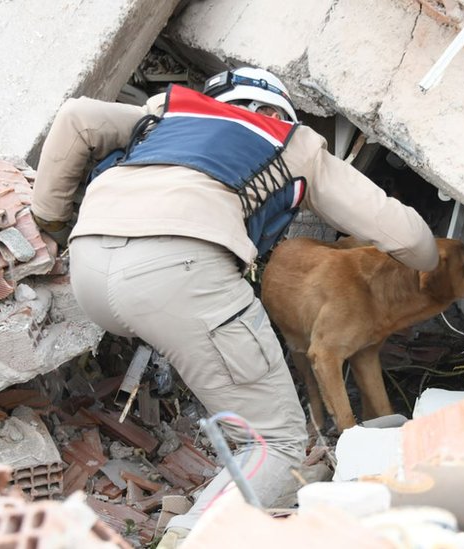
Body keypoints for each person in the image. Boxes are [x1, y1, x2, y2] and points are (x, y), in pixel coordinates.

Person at [30, 67, 438, 546]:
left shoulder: (165, 111)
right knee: (279, 443)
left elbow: (77, 116)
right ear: (275, 111)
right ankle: (191, 538)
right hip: (183, 270)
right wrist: (432, 261)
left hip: (89, 268)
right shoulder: (293, 143)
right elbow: (407, 237)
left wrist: (51, 220)